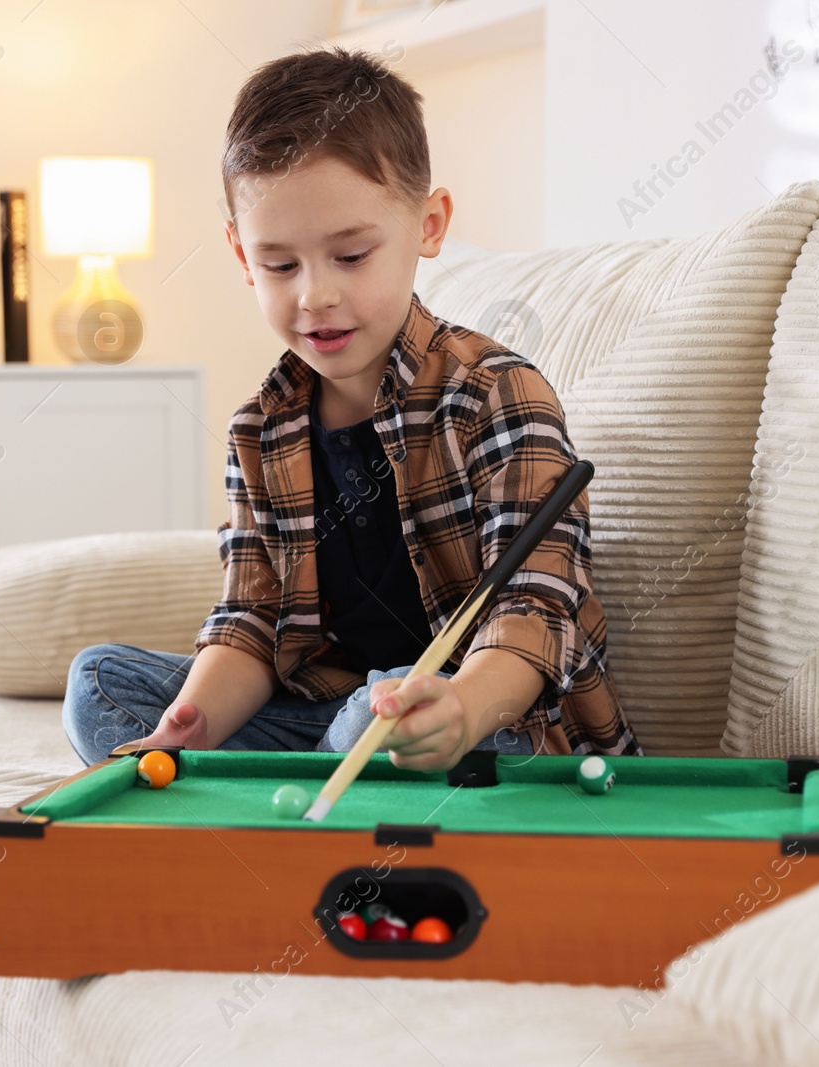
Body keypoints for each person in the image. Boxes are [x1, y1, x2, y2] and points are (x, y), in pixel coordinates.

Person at [62, 45, 640, 771]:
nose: (315, 296)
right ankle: (306, 765)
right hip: (327, 715)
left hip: (484, 720)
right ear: (242, 254)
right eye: (280, 264)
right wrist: (195, 721)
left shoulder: (494, 393)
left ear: (429, 226)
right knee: (98, 685)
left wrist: (457, 710)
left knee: (385, 709)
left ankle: (326, 767)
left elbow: (533, 612)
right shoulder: (260, 430)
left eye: (351, 255)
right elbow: (252, 623)